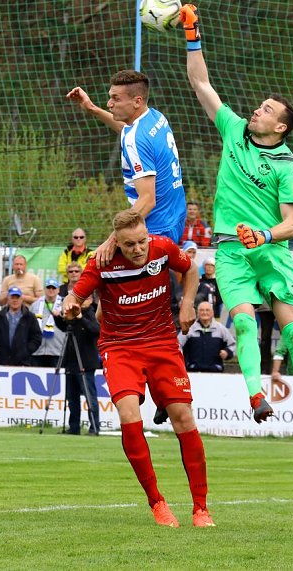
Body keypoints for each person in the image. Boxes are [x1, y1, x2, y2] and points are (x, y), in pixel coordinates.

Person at [178, 4, 293, 450]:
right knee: (245, 325)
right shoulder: (233, 130)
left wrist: (264, 235)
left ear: (279, 126)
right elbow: (200, 82)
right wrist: (192, 35)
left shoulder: (287, 164)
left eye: (266, 110)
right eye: (260, 105)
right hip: (231, 251)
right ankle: (255, 396)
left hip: (270, 252)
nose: (256, 110)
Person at [61, 209, 212, 527]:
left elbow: (191, 269)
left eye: (142, 241)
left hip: (162, 342)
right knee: (129, 415)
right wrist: (71, 307)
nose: (139, 248)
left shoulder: (162, 247)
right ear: (116, 241)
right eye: (130, 244)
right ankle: (157, 502)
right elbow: (73, 297)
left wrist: (187, 303)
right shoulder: (101, 263)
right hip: (120, 347)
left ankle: (201, 509)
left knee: (183, 417)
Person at [66, 70, 186, 265]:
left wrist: (112, 240)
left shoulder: (136, 140)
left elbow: (147, 200)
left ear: (137, 101)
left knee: (98, 266)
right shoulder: (155, 117)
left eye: (116, 98)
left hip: (153, 229)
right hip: (175, 215)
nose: (109, 103)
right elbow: (126, 131)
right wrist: (92, 108)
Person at [54, 300, 101, 435]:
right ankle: (74, 427)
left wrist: (80, 318)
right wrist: (58, 317)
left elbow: (95, 330)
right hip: (71, 361)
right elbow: (65, 327)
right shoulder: (72, 312)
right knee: (72, 397)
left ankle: (94, 427)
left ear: (90, 300)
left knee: (89, 396)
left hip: (85, 363)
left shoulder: (92, 313)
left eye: (85, 299)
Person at [0, 286, 42, 366]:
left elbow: (37, 337)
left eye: (17, 297)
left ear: (21, 299)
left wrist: (26, 351)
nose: (15, 300)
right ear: (8, 299)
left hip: (23, 362)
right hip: (2, 360)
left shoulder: (30, 316)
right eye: (12, 297)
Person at [178, 301, 235, 372]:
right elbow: (177, 345)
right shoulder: (189, 329)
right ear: (197, 313)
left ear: (212, 313)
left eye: (207, 310)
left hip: (216, 372)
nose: (204, 312)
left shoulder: (221, 329)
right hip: (192, 372)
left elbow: (232, 345)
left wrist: (227, 353)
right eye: (201, 310)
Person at [30, 278, 65, 368]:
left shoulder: (64, 304)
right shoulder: (36, 305)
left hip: (57, 350)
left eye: (53, 288)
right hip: (38, 350)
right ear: (44, 289)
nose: (51, 290)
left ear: (58, 290)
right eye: (48, 287)